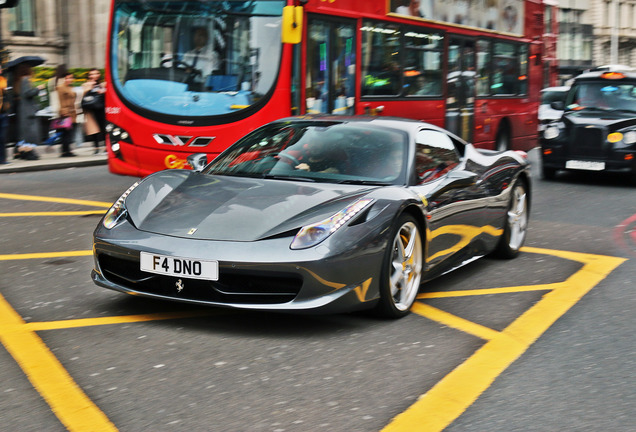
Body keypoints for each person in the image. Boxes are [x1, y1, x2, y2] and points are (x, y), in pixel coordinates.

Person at [14, 63, 45, 160]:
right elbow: (28, 93)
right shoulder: (25, 80)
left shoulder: (19, 81)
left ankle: (24, 152)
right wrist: (38, 88)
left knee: (26, 133)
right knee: (31, 133)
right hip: (28, 111)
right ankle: (29, 153)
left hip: (24, 110)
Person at [82, 68, 106, 154]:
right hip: (91, 110)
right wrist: (90, 87)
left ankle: (106, 146)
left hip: (102, 108)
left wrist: (103, 91)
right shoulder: (86, 85)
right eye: (92, 74)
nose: (94, 76)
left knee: (104, 128)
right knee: (94, 129)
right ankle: (96, 148)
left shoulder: (103, 84)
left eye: (96, 73)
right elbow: (83, 96)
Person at [56, 72, 78, 157]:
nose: (69, 80)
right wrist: (64, 111)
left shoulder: (70, 87)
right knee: (66, 133)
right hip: (66, 113)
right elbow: (60, 100)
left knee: (68, 133)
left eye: (71, 78)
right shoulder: (61, 88)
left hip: (72, 112)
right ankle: (65, 151)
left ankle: (67, 150)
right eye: (67, 78)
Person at [0, 65, 9, 164]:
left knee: (2, 137)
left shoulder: (3, 80)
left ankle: (2, 159)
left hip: (3, 113)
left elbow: (6, 96)